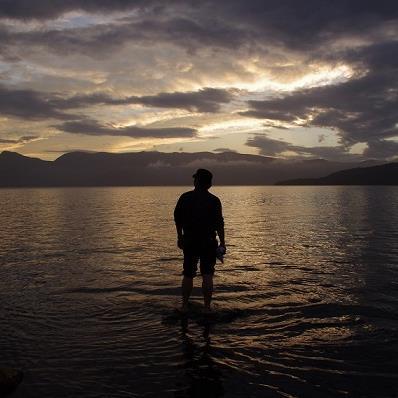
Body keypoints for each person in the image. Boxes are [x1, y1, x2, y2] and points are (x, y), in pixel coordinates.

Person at [174, 168, 225, 313]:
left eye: (195, 179)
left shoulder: (185, 197)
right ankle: (207, 308)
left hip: (190, 240)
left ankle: (184, 306)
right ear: (209, 184)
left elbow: (177, 219)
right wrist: (223, 243)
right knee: (207, 274)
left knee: (188, 273)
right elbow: (219, 224)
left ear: (196, 182)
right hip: (208, 242)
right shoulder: (214, 201)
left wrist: (180, 237)